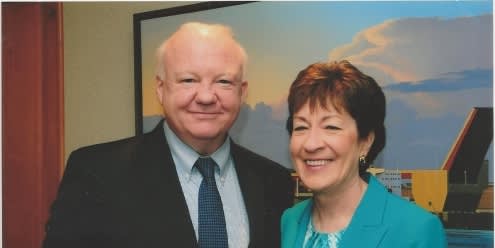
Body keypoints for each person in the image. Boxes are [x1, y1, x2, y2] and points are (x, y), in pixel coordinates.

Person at [43, 22, 294, 248]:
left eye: (223, 82)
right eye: (188, 80)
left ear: (242, 92)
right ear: (161, 89)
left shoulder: (274, 181)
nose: (206, 97)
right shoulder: (96, 172)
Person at [281, 61, 446, 247]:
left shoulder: (416, 230)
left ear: (366, 141)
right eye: (301, 127)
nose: (311, 144)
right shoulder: (289, 221)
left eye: (331, 127)